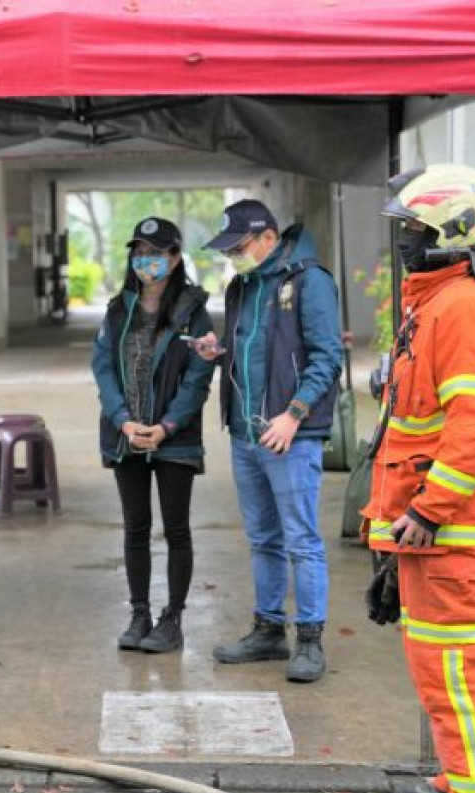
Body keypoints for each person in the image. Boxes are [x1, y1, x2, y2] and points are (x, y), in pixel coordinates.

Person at [365, 164, 475, 793]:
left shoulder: (459, 308)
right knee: (439, 664)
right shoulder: (437, 303)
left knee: (459, 667)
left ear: (451, 233)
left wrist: (429, 509)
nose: (404, 241)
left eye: (415, 229)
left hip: (454, 535)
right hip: (435, 535)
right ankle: (462, 776)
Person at [197, 199, 343, 683]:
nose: (233, 258)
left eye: (239, 248)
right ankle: (267, 630)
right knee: (263, 539)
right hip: (245, 433)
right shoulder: (242, 285)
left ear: (267, 237)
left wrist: (293, 416)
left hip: (290, 438)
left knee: (301, 540)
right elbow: (256, 351)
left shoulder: (309, 281)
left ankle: (310, 641)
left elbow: (327, 358)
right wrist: (220, 352)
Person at [91, 217, 214, 653]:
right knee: (135, 528)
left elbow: (199, 377)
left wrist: (166, 426)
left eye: (157, 252)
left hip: (174, 439)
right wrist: (123, 419)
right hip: (126, 436)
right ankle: (139, 612)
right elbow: (102, 367)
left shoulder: (193, 312)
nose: (146, 260)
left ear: (176, 258)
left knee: (176, 529)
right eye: (140, 252)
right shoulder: (117, 309)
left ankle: (173, 619)